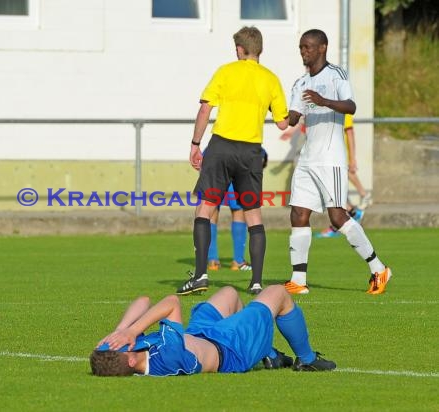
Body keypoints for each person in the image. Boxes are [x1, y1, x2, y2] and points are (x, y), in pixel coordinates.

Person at [176, 26, 289, 296]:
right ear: (259, 49)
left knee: (206, 207)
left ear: (240, 49)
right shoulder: (271, 79)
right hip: (251, 152)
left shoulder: (226, 71)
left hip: (222, 147)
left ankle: (201, 274)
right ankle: (257, 281)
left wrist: (195, 144)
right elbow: (283, 123)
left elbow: (206, 108)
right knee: (253, 214)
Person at [283, 29, 391, 295]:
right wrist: (284, 114)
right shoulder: (300, 82)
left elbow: (351, 106)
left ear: (323, 48)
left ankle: (379, 269)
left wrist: (323, 101)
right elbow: (294, 116)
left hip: (330, 158)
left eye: (308, 47)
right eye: (301, 47)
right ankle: (299, 279)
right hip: (307, 158)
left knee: (338, 217)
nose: (303, 52)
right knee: (298, 213)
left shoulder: (336, 75)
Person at [90, 285, 336, 376]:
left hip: (201, 334)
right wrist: (132, 332)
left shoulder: (137, 352)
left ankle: (269, 354)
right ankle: (307, 360)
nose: (125, 341)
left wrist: (121, 330)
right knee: (278, 294)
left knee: (229, 293)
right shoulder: (166, 357)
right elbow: (172, 303)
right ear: (131, 360)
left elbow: (143, 300)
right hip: (230, 348)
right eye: (123, 345)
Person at [207, 148, 268, 294]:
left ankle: (212, 261)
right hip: (240, 168)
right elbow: (261, 158)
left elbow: (204, 159)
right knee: (238, 211)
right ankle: (238, 261)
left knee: (212, 211)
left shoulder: (217, 139)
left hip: (217, 166)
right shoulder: (247, 135)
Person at [316, 114, 372, 238]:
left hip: (336, 155)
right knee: (330, 189)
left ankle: (338, 225)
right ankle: (352, 212)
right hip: (327, 155)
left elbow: (350, 133)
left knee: (332, 189)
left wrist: (352, 158)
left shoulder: (341, 108)